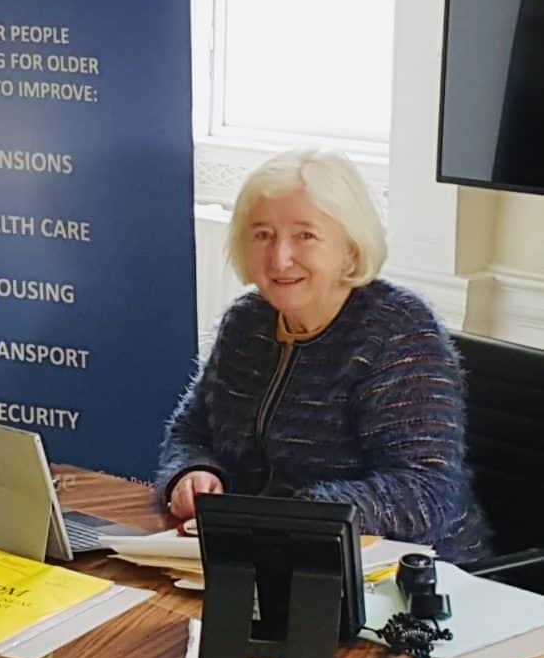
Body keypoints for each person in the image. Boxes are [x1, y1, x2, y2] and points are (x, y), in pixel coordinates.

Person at [156, 149, 488, 563]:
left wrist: (293, 513)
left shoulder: (398, 332)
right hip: (260, 554)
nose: (279, 257)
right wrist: (193, 473)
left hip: (405, 578)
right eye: (262, 234)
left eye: (305, 236)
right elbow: (192, 430)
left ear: (349, 248)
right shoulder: (247, 322)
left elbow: (425, 491)